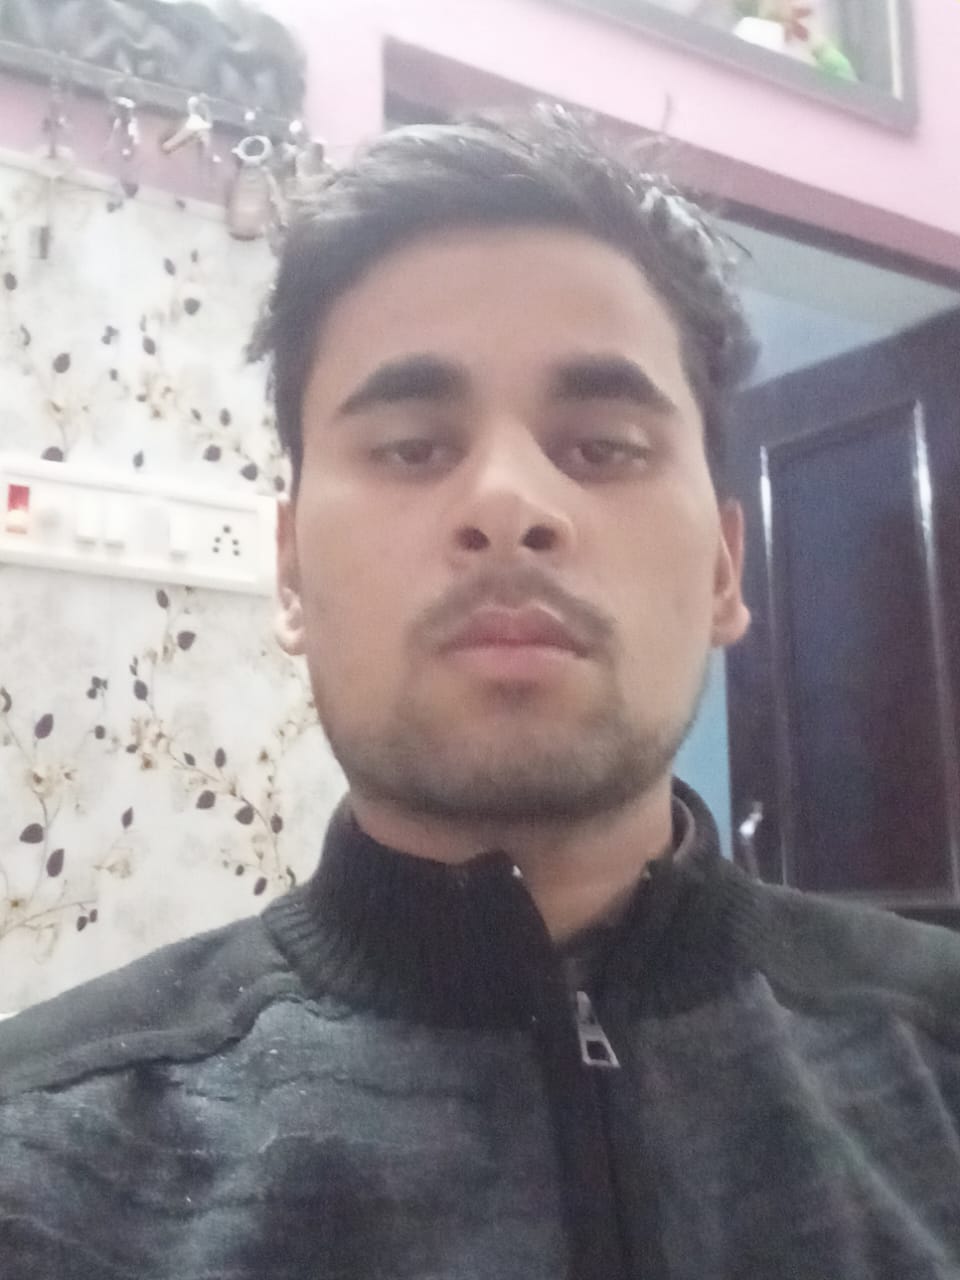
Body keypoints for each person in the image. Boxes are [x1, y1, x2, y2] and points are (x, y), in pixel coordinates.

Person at [1, 107, 959, 1280]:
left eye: (600, 445)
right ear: (291, 571)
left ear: (722, 568)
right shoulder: (37, 1166)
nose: (508, 499)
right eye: (412, 446)